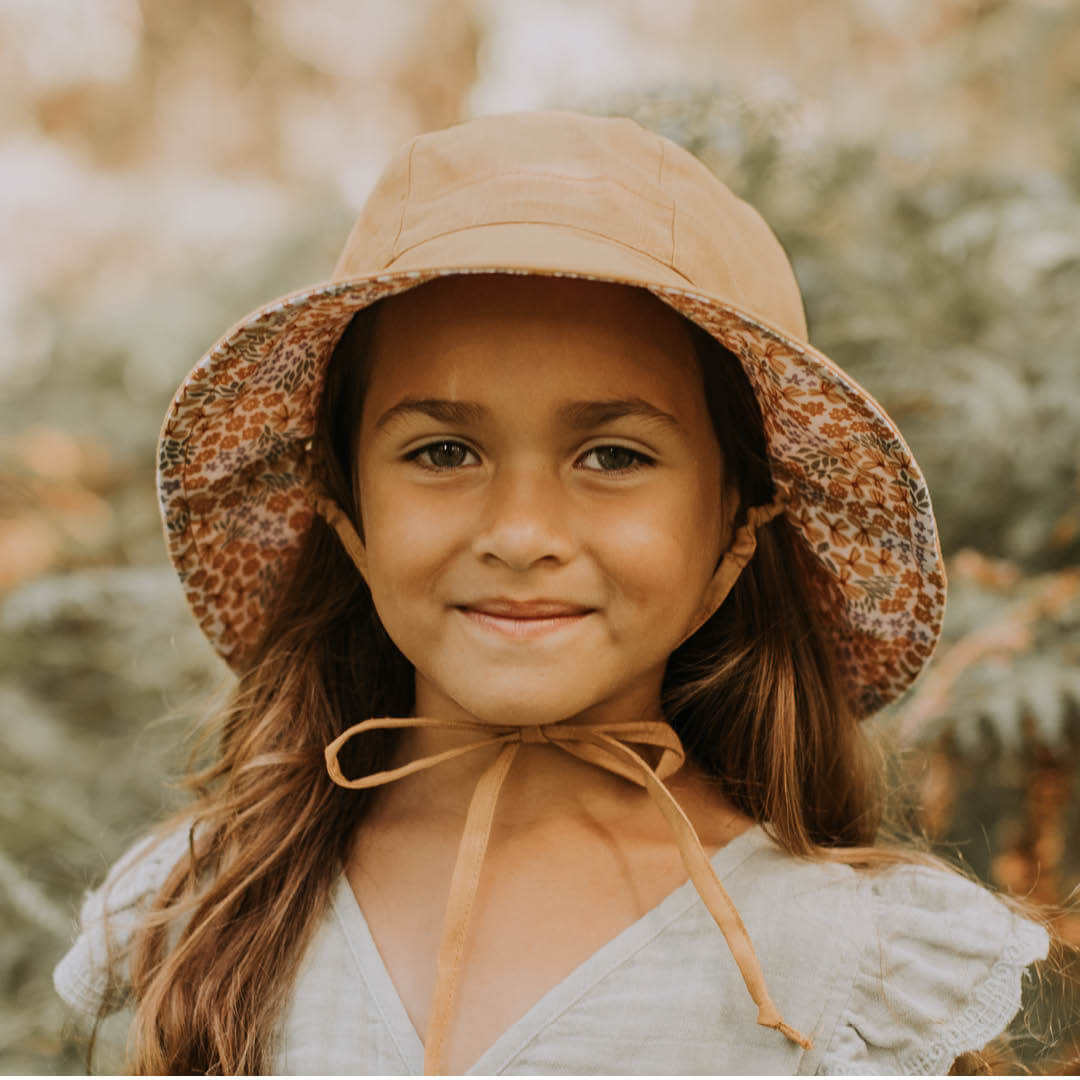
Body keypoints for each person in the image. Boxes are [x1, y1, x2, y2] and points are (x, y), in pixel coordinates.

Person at [54, 110, 1051, 1075]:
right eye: (443, 451)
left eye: (613, 455)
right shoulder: (205, 911)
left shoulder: (852, 967)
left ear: (738, 510)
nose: (522, 534)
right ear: (341, 495)